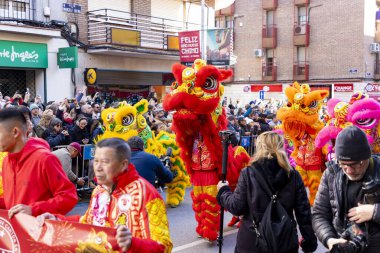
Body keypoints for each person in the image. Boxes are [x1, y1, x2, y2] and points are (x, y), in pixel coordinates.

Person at [38, 138, 173, 253]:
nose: (98, 167)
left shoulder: (146, 194)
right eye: (96, 161)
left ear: (123, 164)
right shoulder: (99, 191)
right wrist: (56, 219)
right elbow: (87, 222)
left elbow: (164, 246)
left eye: (105, 162)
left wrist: (133, 243)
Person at [217, 131, 317, 253]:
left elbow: (237, 207)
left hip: (252, 241)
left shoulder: (248, 173)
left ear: (259, 147)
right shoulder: (293, 175)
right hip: (284, 240)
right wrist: (309, 240)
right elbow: (303, 213)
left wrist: (223, 191)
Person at [313, 126, 380, 253]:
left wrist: (374, 212)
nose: (349, 170)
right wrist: (329, 239)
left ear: (367, 157)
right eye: (343, 163)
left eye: (355, 164)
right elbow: (319, 214)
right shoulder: (331, 173)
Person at [0, 107, 77, 217]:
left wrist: (34, 209)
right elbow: (13, 203)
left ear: (15, 132)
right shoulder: (6, 161)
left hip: (39, 231)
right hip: (15, 231)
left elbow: (69, 196)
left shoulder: (44, 159)